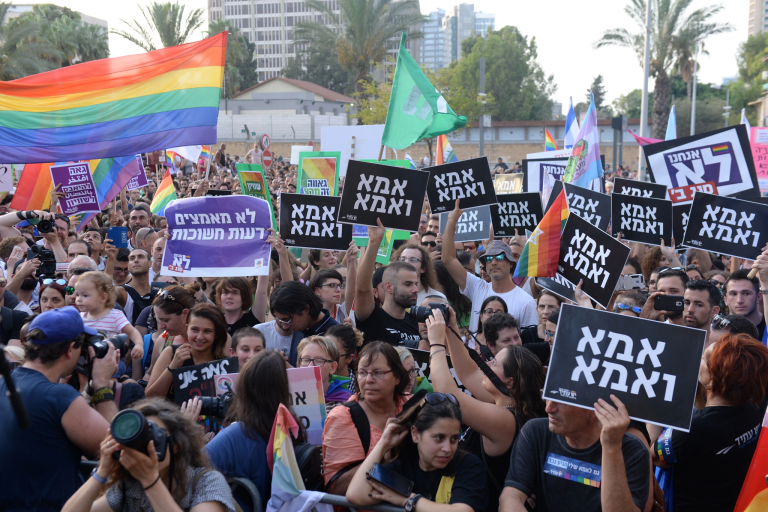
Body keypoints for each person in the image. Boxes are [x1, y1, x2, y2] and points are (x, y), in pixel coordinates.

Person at [0, 307, 119, 510]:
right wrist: (101, 385)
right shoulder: (59, 397)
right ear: (70, 349)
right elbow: (119, 448)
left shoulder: (4, 383)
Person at [427, 308, 545, 511]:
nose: (488, 364)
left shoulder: (505, 420)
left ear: (509, 382)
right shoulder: (507, 402)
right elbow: (468, 372)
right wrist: (450, 329)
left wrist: (436, 344)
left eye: (494, 363)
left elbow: (447, 393)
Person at [649, 334, 768, 512]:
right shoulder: (751, 410)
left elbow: (655, 457)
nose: (698, 361)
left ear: (713, 380)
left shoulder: (693, 427)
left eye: (704, 360)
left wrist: (652, 409)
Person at [63, 398, 236, 512]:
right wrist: (102, 471)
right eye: (139, 438)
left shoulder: (207, 482)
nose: (146, 445)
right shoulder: (131, 486)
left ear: (176, 445)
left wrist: (150, 481)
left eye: (153, 436)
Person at [500, 395, 651, 512]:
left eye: (562, 402)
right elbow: (510, 497)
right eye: (547, 396)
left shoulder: (631, 450)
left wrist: (612, 447)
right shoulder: (535, 433)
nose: (548, 408)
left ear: (596, 409)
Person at [346, 393, 488, 512]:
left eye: (454, 439)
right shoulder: (403, 465)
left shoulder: (468, 465)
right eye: (439, 438)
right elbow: (356, 495)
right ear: (415, 434)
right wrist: (383, 444)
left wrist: (409, 500)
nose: (447, 448)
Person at [207, 350, 300, 508]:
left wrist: (190, 436)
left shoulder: (237, 434)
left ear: (244, 388)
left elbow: (189, 471)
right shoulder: (292, 427)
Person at [322, 341, 411, 494]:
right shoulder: (343, 417)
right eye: (362, 373)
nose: (368, 379)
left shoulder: (410, 405)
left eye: (377, 373)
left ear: (397, 377)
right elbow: (336, 488)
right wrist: (384, 452)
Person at [442, 201, 537, 333]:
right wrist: (451, 221)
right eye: (488, 259)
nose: (493, 262)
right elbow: (448, 260)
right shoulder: (477, 287)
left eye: (499, 257)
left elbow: (529, 343)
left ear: (511, 264)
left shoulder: (526, 301)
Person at [355, 221, 420, 346]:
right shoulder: (372, 317)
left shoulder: (416, 322)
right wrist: (374, 242)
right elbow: (362, 289)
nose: (415, 289)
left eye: (415, 284)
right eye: (408, 284)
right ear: (389, 287)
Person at [146, 303, 229, 400]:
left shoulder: (225, 365)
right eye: (195, 330)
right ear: (187, 329)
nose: (199, 337)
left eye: (207, 331)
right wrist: (172, 367)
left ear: (217, 334)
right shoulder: (171, 353)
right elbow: (149, 398)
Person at [76, 271, 144, 379]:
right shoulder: (80, 317)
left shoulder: (115, 315)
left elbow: (132, 331)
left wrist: (139, 344)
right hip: (87, 360)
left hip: (112, 360)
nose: (78, 299)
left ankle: (112, 387)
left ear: (103, 298)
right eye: (77, 294)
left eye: (85, 295)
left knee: (110, 379)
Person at [270, 281, 338, 366]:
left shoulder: (335, 335)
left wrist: (288, 368)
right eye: (280, 320)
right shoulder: (300, 326)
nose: (285, 326)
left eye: (287, 319)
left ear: (306, 309)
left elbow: (329, 373)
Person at [146, 285, 197, 378]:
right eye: (158, 320)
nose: (161, 326)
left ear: (185, 313)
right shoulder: (163, 339)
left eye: (166, 320)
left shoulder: (205, 340)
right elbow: (150, 374)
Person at [297, 335, 352, 412]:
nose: (310, 366)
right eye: (306, 360)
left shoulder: (347, 403)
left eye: (319, 361)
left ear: (332, 367)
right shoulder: (289, 399)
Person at [723, 269, 765, 341]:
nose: (739, 300)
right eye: (733, 294)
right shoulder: (717, 330)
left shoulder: (766, 328)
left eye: (746, 293)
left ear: (758, 297)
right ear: (726, 300)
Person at [326, 323, 363, 388]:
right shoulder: (316, 382)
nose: (325, 357)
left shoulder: (358, 387)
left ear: (349, 358)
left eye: (333, 353)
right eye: (323, 351)